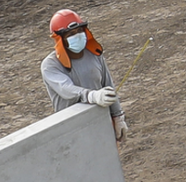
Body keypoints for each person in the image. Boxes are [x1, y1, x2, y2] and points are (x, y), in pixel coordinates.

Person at [41, 9, 127, 138]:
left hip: (102, 121)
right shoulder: (51, 65)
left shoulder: (94, 54)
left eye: (80, 31)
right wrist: (91, 95)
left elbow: (108, 85)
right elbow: (66, 89)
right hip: (72, 129)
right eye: (70, 34)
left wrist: (118, 116)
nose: (77, 35)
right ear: (59, 38)